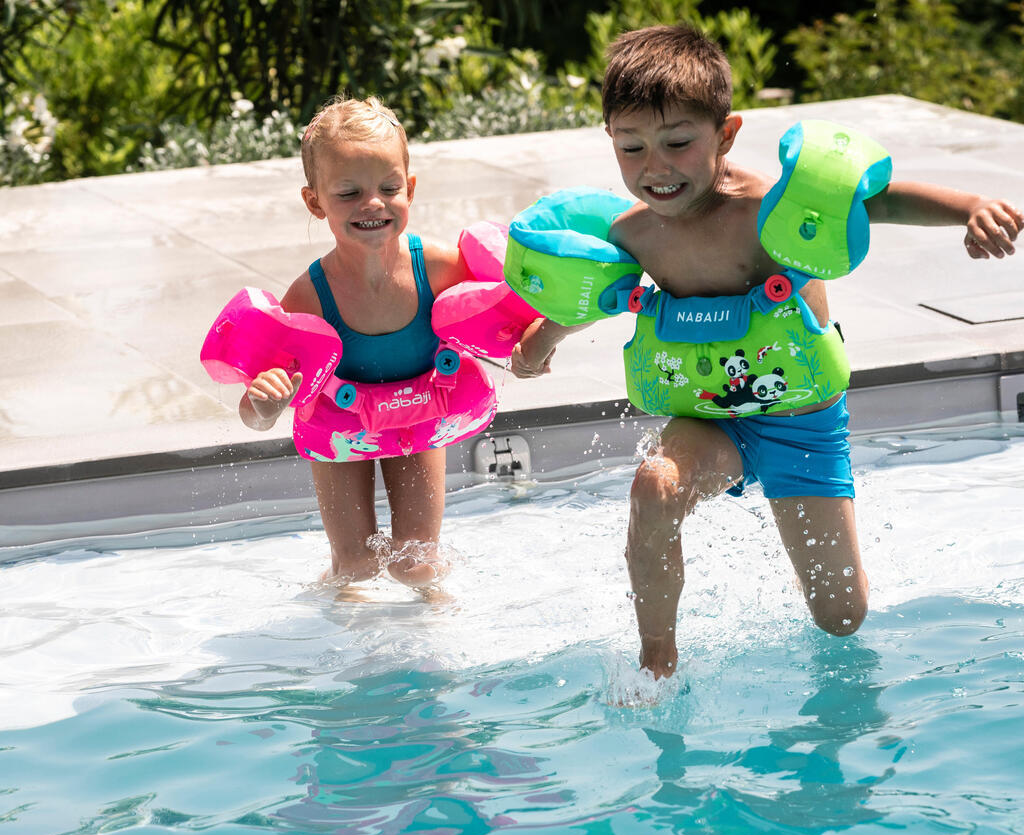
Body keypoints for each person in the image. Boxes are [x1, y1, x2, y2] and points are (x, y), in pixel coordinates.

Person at [511, 24, 1022, 680]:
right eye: (631, 147)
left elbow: (877, 199)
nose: (655, 169)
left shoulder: (771, 214)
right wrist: (542, 341)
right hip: (708, 416)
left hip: (800, 420)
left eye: (678, 143)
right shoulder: (635, 234)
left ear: (725, 135)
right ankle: (657, 663)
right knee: (654, 488)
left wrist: (974, 208)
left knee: (841, 619)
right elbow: (596, 295)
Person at [239, 96, 469, 593]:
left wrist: (536, 344)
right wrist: (266, 401)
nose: (373, 204)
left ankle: (441, 625)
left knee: (417, 564)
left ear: (410, 188)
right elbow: (254, 414)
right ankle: (330, 611)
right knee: (357, 565)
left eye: (389, 188)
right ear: (314, 201)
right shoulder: (308, 298)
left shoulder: (440, 268)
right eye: (349, 193)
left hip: (416, 411)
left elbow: (500, 324)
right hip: (340, 425)